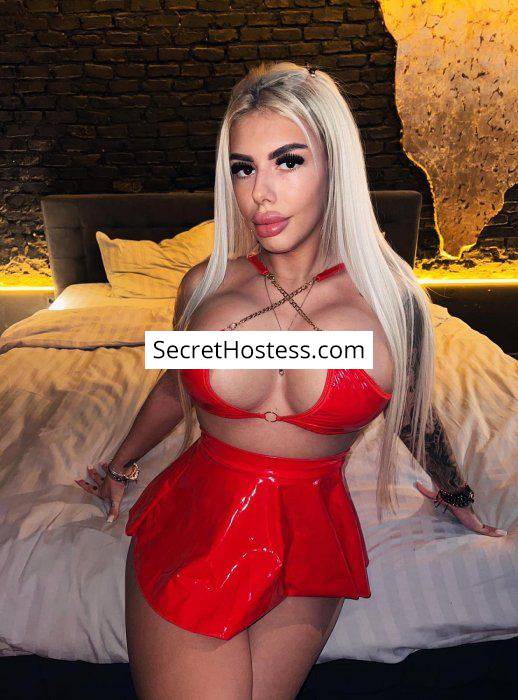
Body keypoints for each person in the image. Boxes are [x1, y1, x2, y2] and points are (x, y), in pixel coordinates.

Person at [76, 61, 504, 700]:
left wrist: (455, 491)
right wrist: (119, 466)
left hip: (309, 528)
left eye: (288, 161)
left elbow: (413, 411)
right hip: (198, 515)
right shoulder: (205, 286)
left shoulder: (394, 304)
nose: (260, 194)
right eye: (243, 168)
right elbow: (174, 386)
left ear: (335, 165)